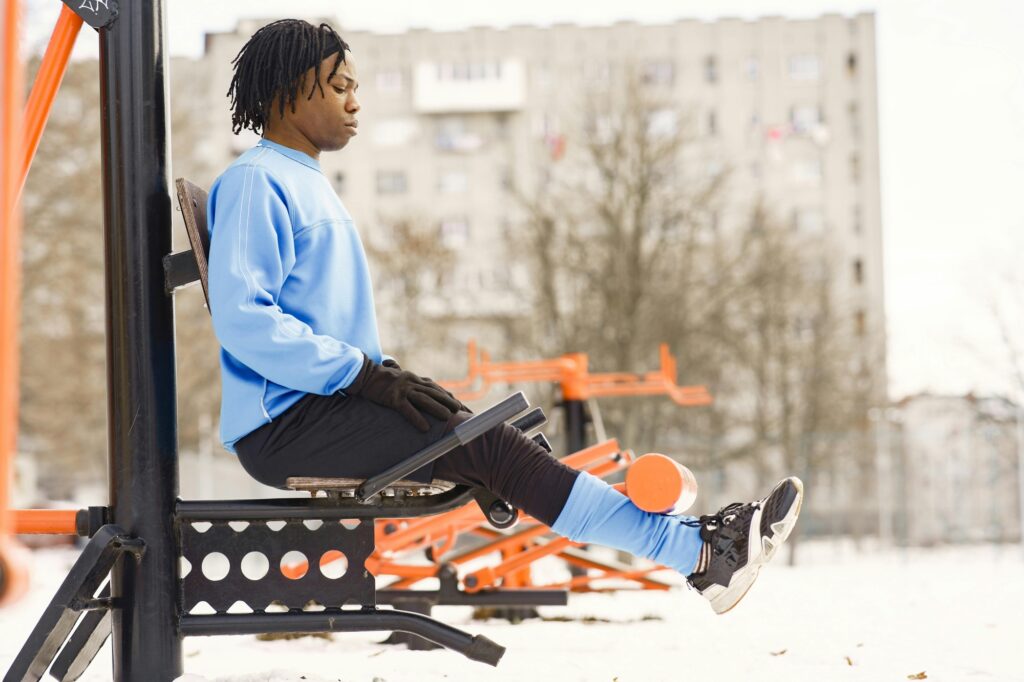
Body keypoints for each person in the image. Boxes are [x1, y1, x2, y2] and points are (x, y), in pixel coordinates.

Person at [207, 18, 804, 615]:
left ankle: (697, 551)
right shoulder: (256, 181)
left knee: (500, 444)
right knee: (492, 449)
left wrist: (381, 376)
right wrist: (365, 377)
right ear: (288, 90)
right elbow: (245, 319)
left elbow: (323, 319)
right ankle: (701, 553)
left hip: (327, 404)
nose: (355, 101)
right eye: (339, 87)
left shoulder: (304, 181)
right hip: (284, 423)